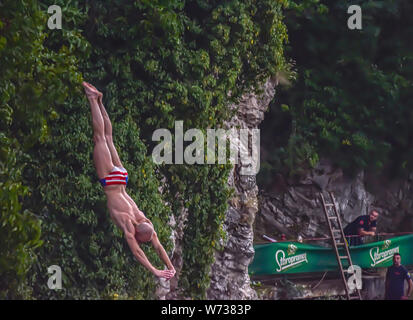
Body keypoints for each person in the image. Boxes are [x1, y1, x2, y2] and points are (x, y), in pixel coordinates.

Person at [82, 81, 175, 280]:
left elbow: (157, 246)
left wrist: (170, 266)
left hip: (122, 177)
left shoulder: (145, 221)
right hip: (111, 182)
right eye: (142, 241)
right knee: (100, 138)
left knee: (108, 137)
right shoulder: (129, 224)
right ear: (138, 234)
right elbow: (137, 253)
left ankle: (99, 100)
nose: (143, 244)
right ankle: (92, 99)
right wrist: (156, 270)